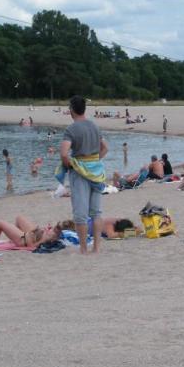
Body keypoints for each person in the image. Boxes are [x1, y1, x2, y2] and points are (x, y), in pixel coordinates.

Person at [60, 95, 109, 255]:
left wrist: (72, 165)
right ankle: (96, 248)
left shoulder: (71, 129)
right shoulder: (94, 126)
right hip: (97, 172)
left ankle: (83, 249)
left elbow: (64, 154)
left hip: (80, 174)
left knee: (80, 214)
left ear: (71, 110)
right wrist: (94, 161)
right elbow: (105, 148)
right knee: (96, 212)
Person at [0, 215, 68, 249]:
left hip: (24, 239)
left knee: (1, 223)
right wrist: (44, 230)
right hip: (32, 234)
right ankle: (13, 238)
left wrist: (43, 234)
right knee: (19, 218)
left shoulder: (51, 236)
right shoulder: (54, 232)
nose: (55, 226)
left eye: (58, 226)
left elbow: (33, 246)